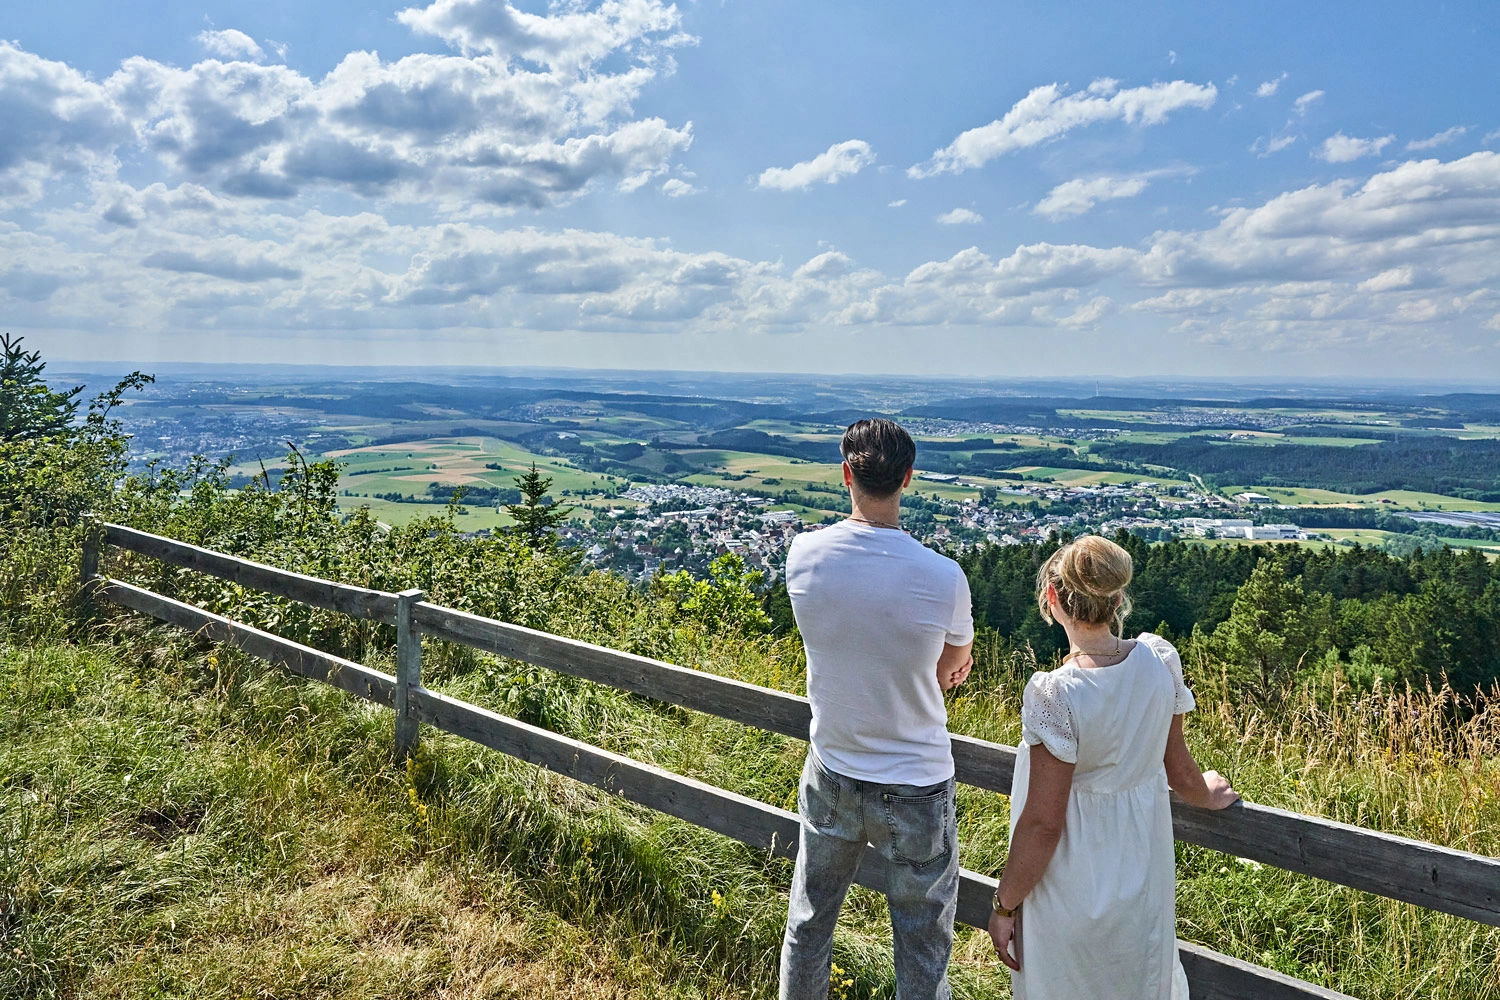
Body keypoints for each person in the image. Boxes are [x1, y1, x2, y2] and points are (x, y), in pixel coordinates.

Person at [988, 535, 1240, 999]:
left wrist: (1004, 906)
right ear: (1118, 598)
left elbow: (1044, 823)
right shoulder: (1159, 662)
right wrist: (1209, 793)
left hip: (1067, 878)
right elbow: (1179, 770)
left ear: (1052, 600)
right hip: (1143, 869)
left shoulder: (1054, 694)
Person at [780, 418, 975, 1000]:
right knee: (921, 948)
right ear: (907, 479)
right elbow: (952, 668)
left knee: (810, 923)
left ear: (847, 474)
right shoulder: (944, 578)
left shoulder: (804, 554)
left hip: (833, 765)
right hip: (916, 782)